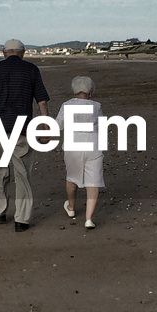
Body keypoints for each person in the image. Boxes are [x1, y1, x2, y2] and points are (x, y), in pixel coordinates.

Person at [0, 40, 50, 232]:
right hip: (22, 128)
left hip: (0, 127)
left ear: (4, 53)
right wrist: (45, 126)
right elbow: (41, 101)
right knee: (22, 173)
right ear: (23, 53)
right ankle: (22, 219)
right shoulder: (31, 69)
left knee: (0, 169)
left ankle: (1, 210)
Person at [55, 75, 105, 229]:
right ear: (90, 91)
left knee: (72, 178)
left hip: (73, 145)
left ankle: (71, 207)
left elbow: (58, 125)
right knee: (93, 181)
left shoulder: (67, 105)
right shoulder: (96, 106)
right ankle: (89, 218)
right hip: (93, 145)